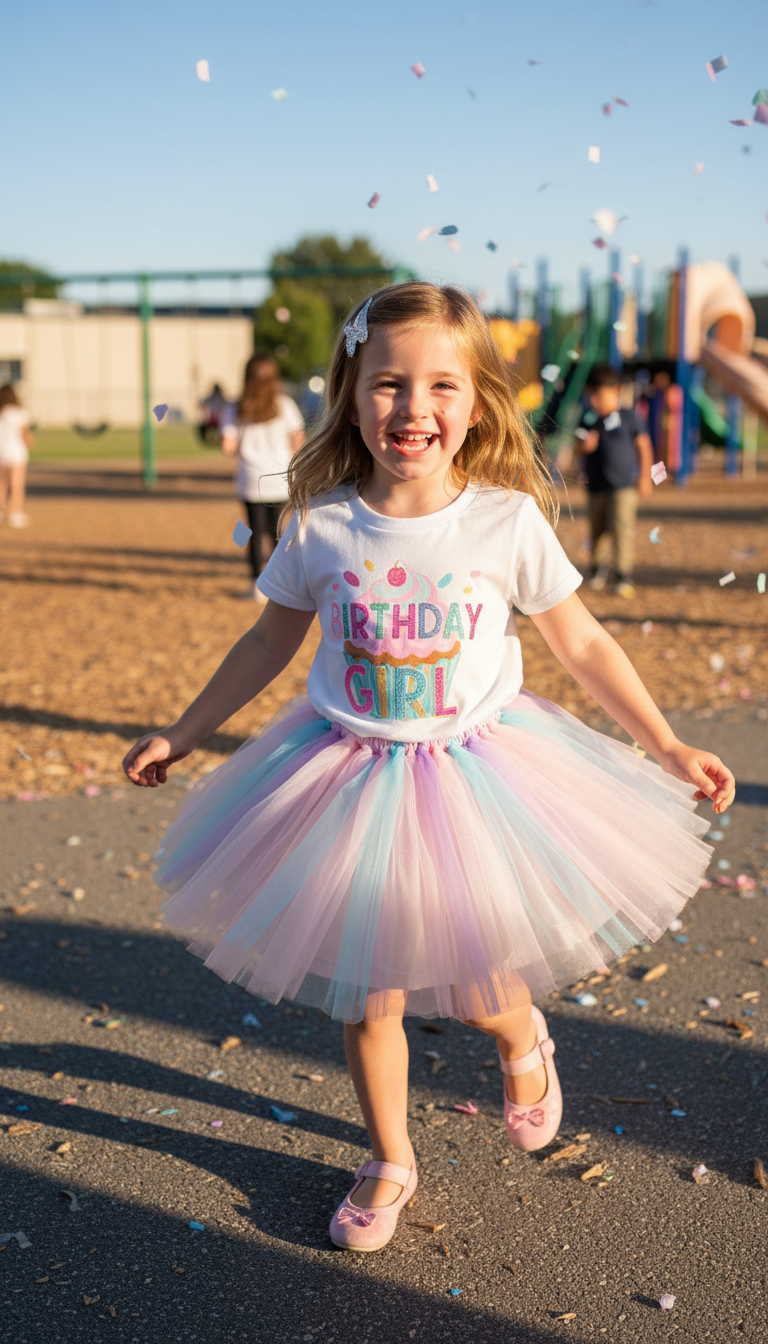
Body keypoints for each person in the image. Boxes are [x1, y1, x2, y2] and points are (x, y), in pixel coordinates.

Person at [123, 283, 733, 1254]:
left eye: (442, 384)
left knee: (480, 982)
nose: (414, 407)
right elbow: (264, 644)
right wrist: (185, 731)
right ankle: (388, 1157)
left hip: (476, 775)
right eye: (389, 384)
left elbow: (582, 645)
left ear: (480, 402)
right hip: (344, 778)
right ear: (352, 395)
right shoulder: (323, 527)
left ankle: (521, 1035)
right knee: (371, 991)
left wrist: (665, 742)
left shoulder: (504, 521)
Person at [221, 354, 305, 597]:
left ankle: (256, 584)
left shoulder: (237, 407)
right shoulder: (285, 404)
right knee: (279, 532)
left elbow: (228, 446)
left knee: (254, 531)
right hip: (279, 478)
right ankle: (281, 583)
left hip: (250, 478)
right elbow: (297, 440)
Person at [574, 363, 654, 599]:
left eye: (599, 394)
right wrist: (584, 447)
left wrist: (645, 477)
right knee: (597, 530)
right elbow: (577, 446)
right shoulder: (588, 419)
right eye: (591, 395)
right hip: (595, 486)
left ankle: (622, 573)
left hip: (623, 487)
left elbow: (644, 446)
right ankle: (597, 569)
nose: (594, 401)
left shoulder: (629, 416)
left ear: (616, 391)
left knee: (621, 527)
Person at [0, 384, 33, 527]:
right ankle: (15, 514)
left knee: (1, 485)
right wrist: (30, 441)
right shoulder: (19, 413)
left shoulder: (1, 412)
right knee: (16, 485)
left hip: (1, 451)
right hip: (16, 453)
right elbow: (23, 433)